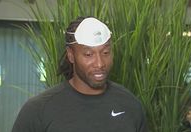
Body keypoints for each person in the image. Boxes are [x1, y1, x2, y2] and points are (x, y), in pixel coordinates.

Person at [12, 16, 148, 132]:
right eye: (88, 54)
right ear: (71, 55)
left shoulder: (130, 105)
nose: (100, 63)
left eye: (105, 52)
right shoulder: (38, 111)